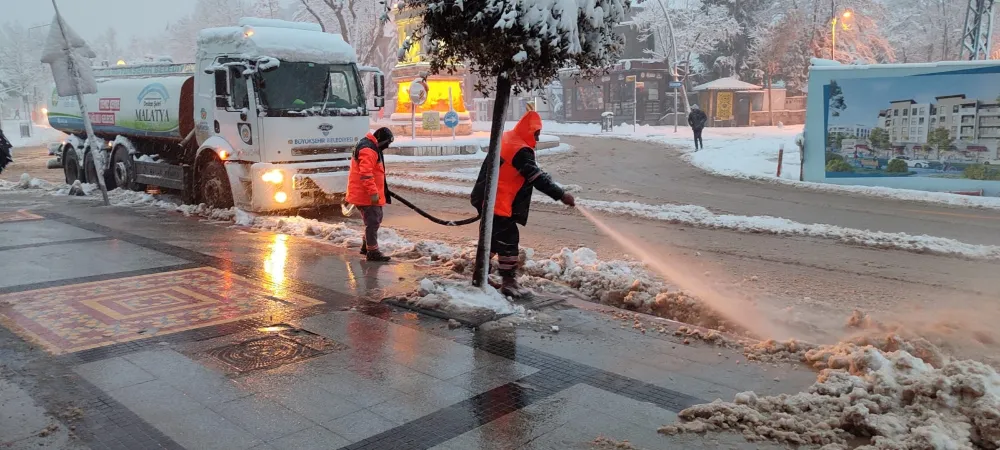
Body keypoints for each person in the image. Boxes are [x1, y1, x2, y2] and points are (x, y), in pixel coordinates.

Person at [471, 107, 575, 298]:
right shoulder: (521, 150)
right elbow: (535, 178)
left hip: (487, 195)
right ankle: (509, 282)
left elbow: (527, 171)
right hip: (499, 201)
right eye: (536, 134)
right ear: (529, 130)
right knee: (509, 240)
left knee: (492, 239)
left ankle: (480, 274)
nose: (537, 139)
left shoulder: (510, 138)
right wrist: (561, 195)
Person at [347, 127, 394, 262]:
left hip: (366, 193)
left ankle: (366, 246)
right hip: (365, 195)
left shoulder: (370, 145)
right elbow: (366, 175)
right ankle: (372, 252)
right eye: (387, 143)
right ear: (381, 140)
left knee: (374, 220)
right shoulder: (368, 150)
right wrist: (373, 193)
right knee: (373, 222)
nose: (387, 146)